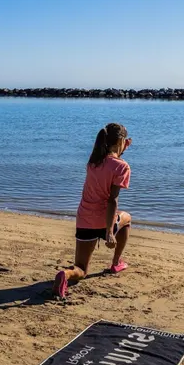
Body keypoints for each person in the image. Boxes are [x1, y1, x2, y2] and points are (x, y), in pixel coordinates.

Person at [53, 123, 132, 299]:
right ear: (121, 141)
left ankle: (65, 274)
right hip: (104, 220)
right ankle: (116, 262)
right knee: (127, 218)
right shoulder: (122, 166)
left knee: (81, 268)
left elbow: (108, 160)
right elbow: (112, 199)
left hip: (84, 218)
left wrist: (121, 147)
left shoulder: (93, 161)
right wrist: (110, 232)